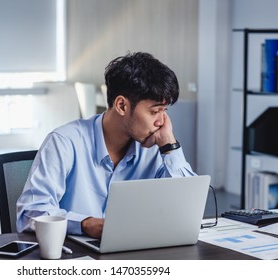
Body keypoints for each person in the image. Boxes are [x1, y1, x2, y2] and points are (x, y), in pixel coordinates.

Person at [16, 52, 195, 238]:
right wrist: (84, 224)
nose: (162, 122)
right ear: (122, 106)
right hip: (76, 256)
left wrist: (170, 146)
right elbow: (30, 212)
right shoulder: (64, 142)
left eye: (164, 111)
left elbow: (187, 209)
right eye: (155, 111)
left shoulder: (155, 146)